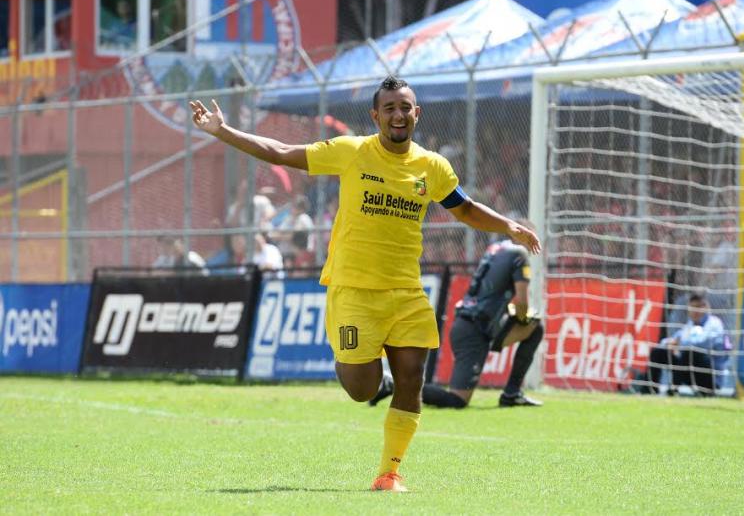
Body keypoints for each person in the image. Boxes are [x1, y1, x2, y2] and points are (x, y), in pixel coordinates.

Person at [188, 76, 540, 493]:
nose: (398, 115)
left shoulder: (432, 167)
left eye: (405, 107)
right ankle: (353, 360)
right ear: (376, 115)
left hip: (406, 291)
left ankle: (389, 473)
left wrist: (509, 226)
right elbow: (281, 152)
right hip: (354, 291)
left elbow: (464, 208)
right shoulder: (351, 151)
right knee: (362, 389)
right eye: (389, 108)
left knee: (412, 376)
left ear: (416, 113)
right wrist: (222, 131)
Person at [369, 227, 544, 410]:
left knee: (535, 328)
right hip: (477, 329)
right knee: (457, 400)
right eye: (532, 237)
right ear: (522, 235)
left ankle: (512, 394)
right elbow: (522, 303)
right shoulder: (519, 254)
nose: (534, 244)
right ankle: (393, 384)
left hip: (469, 323)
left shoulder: (495, 249)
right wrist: (522, 319)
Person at [640, 292, 730, 396]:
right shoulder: (690, 325)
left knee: (689, 353)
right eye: (692, 308)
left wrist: (679, 343)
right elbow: (674, 339)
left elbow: (702, 343)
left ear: (706, 308)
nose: (695, 311)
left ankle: (673, 391)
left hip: (710, 377)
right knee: (658, 352)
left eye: (698, 307)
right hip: (690, 371)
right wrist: (669, 343)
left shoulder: (714, 324)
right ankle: (649, 390)